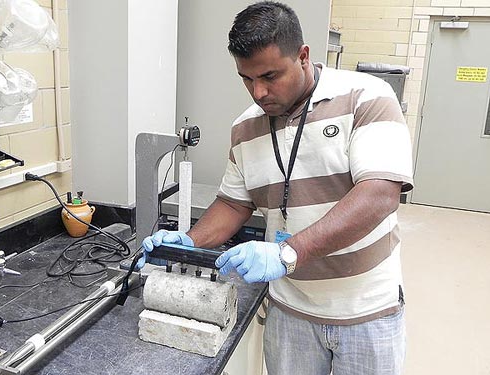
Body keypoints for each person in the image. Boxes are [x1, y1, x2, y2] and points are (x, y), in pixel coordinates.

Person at [138, 2, 413, 374]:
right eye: (247, 79)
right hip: (290, 312)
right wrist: (189, 242)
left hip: (365, 311)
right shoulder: (245, 128)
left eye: (270, 75)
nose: (259, 91)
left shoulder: (367, 97)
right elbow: (233, 204)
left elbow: (379, 195)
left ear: (302, 56)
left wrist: (287, 253)